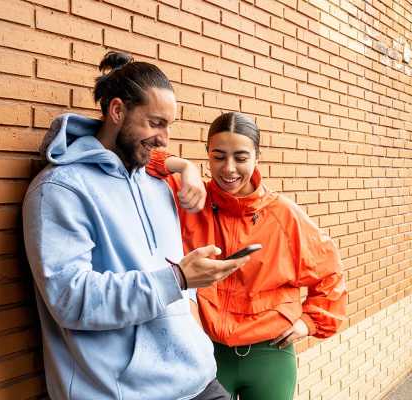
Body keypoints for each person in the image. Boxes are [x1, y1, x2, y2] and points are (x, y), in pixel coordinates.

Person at [22, 52, 249, 400]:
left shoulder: (157, 185)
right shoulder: (60, 190)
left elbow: (178, 284)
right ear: (117, 111)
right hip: (124, 392)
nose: (165, 138)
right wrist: (179, 279)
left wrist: (194, 325)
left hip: (199, 380)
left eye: (169, 125)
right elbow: (70, 298)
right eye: (156, 123)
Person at [147, 112, 348, 400]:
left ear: (257, 157)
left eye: (240, 158)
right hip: (206, 353)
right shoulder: (191, 199)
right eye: (218, 156)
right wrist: (184, 167)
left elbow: (330, 274)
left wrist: (309, 322)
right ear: (208, 155)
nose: (229, 169)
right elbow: (138, 157)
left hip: (269, 356)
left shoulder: (284, 215)